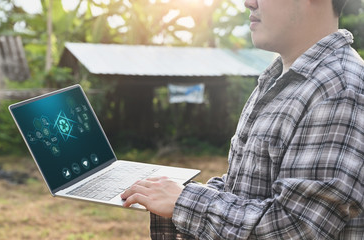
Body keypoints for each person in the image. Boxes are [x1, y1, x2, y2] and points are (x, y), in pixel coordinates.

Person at [121, 0, 364, 239]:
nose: (248, 3)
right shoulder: (277, 78)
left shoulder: (340, 89)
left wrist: (184, 202)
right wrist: (172, 194)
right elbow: (244, 189)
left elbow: (296, 227)